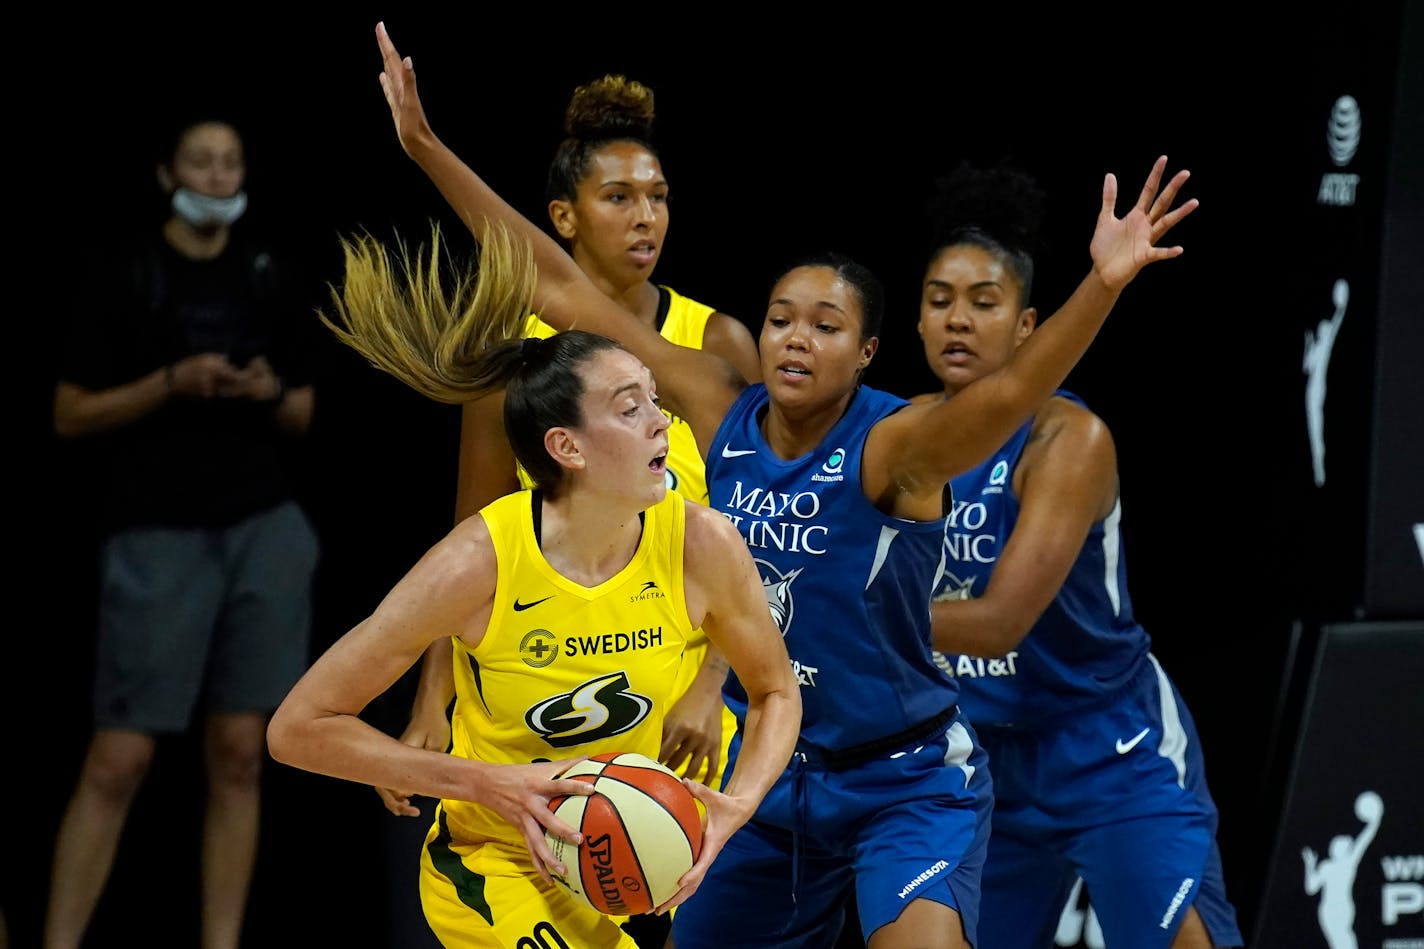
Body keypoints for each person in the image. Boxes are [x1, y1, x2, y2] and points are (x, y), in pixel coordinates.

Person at [370, 20, 1196, 948]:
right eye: (781, 318)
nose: (798, 337)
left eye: (827, 325)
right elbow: (555, 283)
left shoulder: (897, 445)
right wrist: (428, 150)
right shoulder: (717, 404)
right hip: (765, 775)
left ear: (868, 351)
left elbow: (1009, 391)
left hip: (901, 776)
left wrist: (1106, 282)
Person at [265, 222, 802, 949]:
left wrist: (735, 805)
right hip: (503, 859)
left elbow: (775, 690)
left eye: (656, 400)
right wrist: (486, 782)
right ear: (567, 447)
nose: (662, 423)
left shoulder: (702, 542)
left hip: (646, 853)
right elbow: (298, 728)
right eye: (630, 407)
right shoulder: (479, 561)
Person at [381, 71, 759, 827]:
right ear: (564, 215)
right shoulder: (520, 361)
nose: (646, 216)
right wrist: (433, 701)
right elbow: (471, 540)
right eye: (618, 197)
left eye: (657, 196)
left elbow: (759, 527)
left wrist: (712, 682)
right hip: (550, 696)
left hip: (688, 700)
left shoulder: (709, 349)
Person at [912, 161, 1243, 949]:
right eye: (939, 301)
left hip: (1106, 744)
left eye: (984, 303)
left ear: (1027, 327)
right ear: (917, 323)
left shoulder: (1070, 439)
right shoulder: (902, 435)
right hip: (981, 753)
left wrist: (841, 617)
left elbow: (998, 624)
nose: (958, 319)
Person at [45, 115, 320, 949]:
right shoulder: (124, 272)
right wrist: (172, 381)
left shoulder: (270, 272)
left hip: (260, 524)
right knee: (121, 755)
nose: (216, 172)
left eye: (231, 158)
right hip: (156, 530)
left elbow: (306, 409)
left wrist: (264, 389)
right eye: (200, 159)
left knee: (242, 748)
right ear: (168, 170)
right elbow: (68, 411)